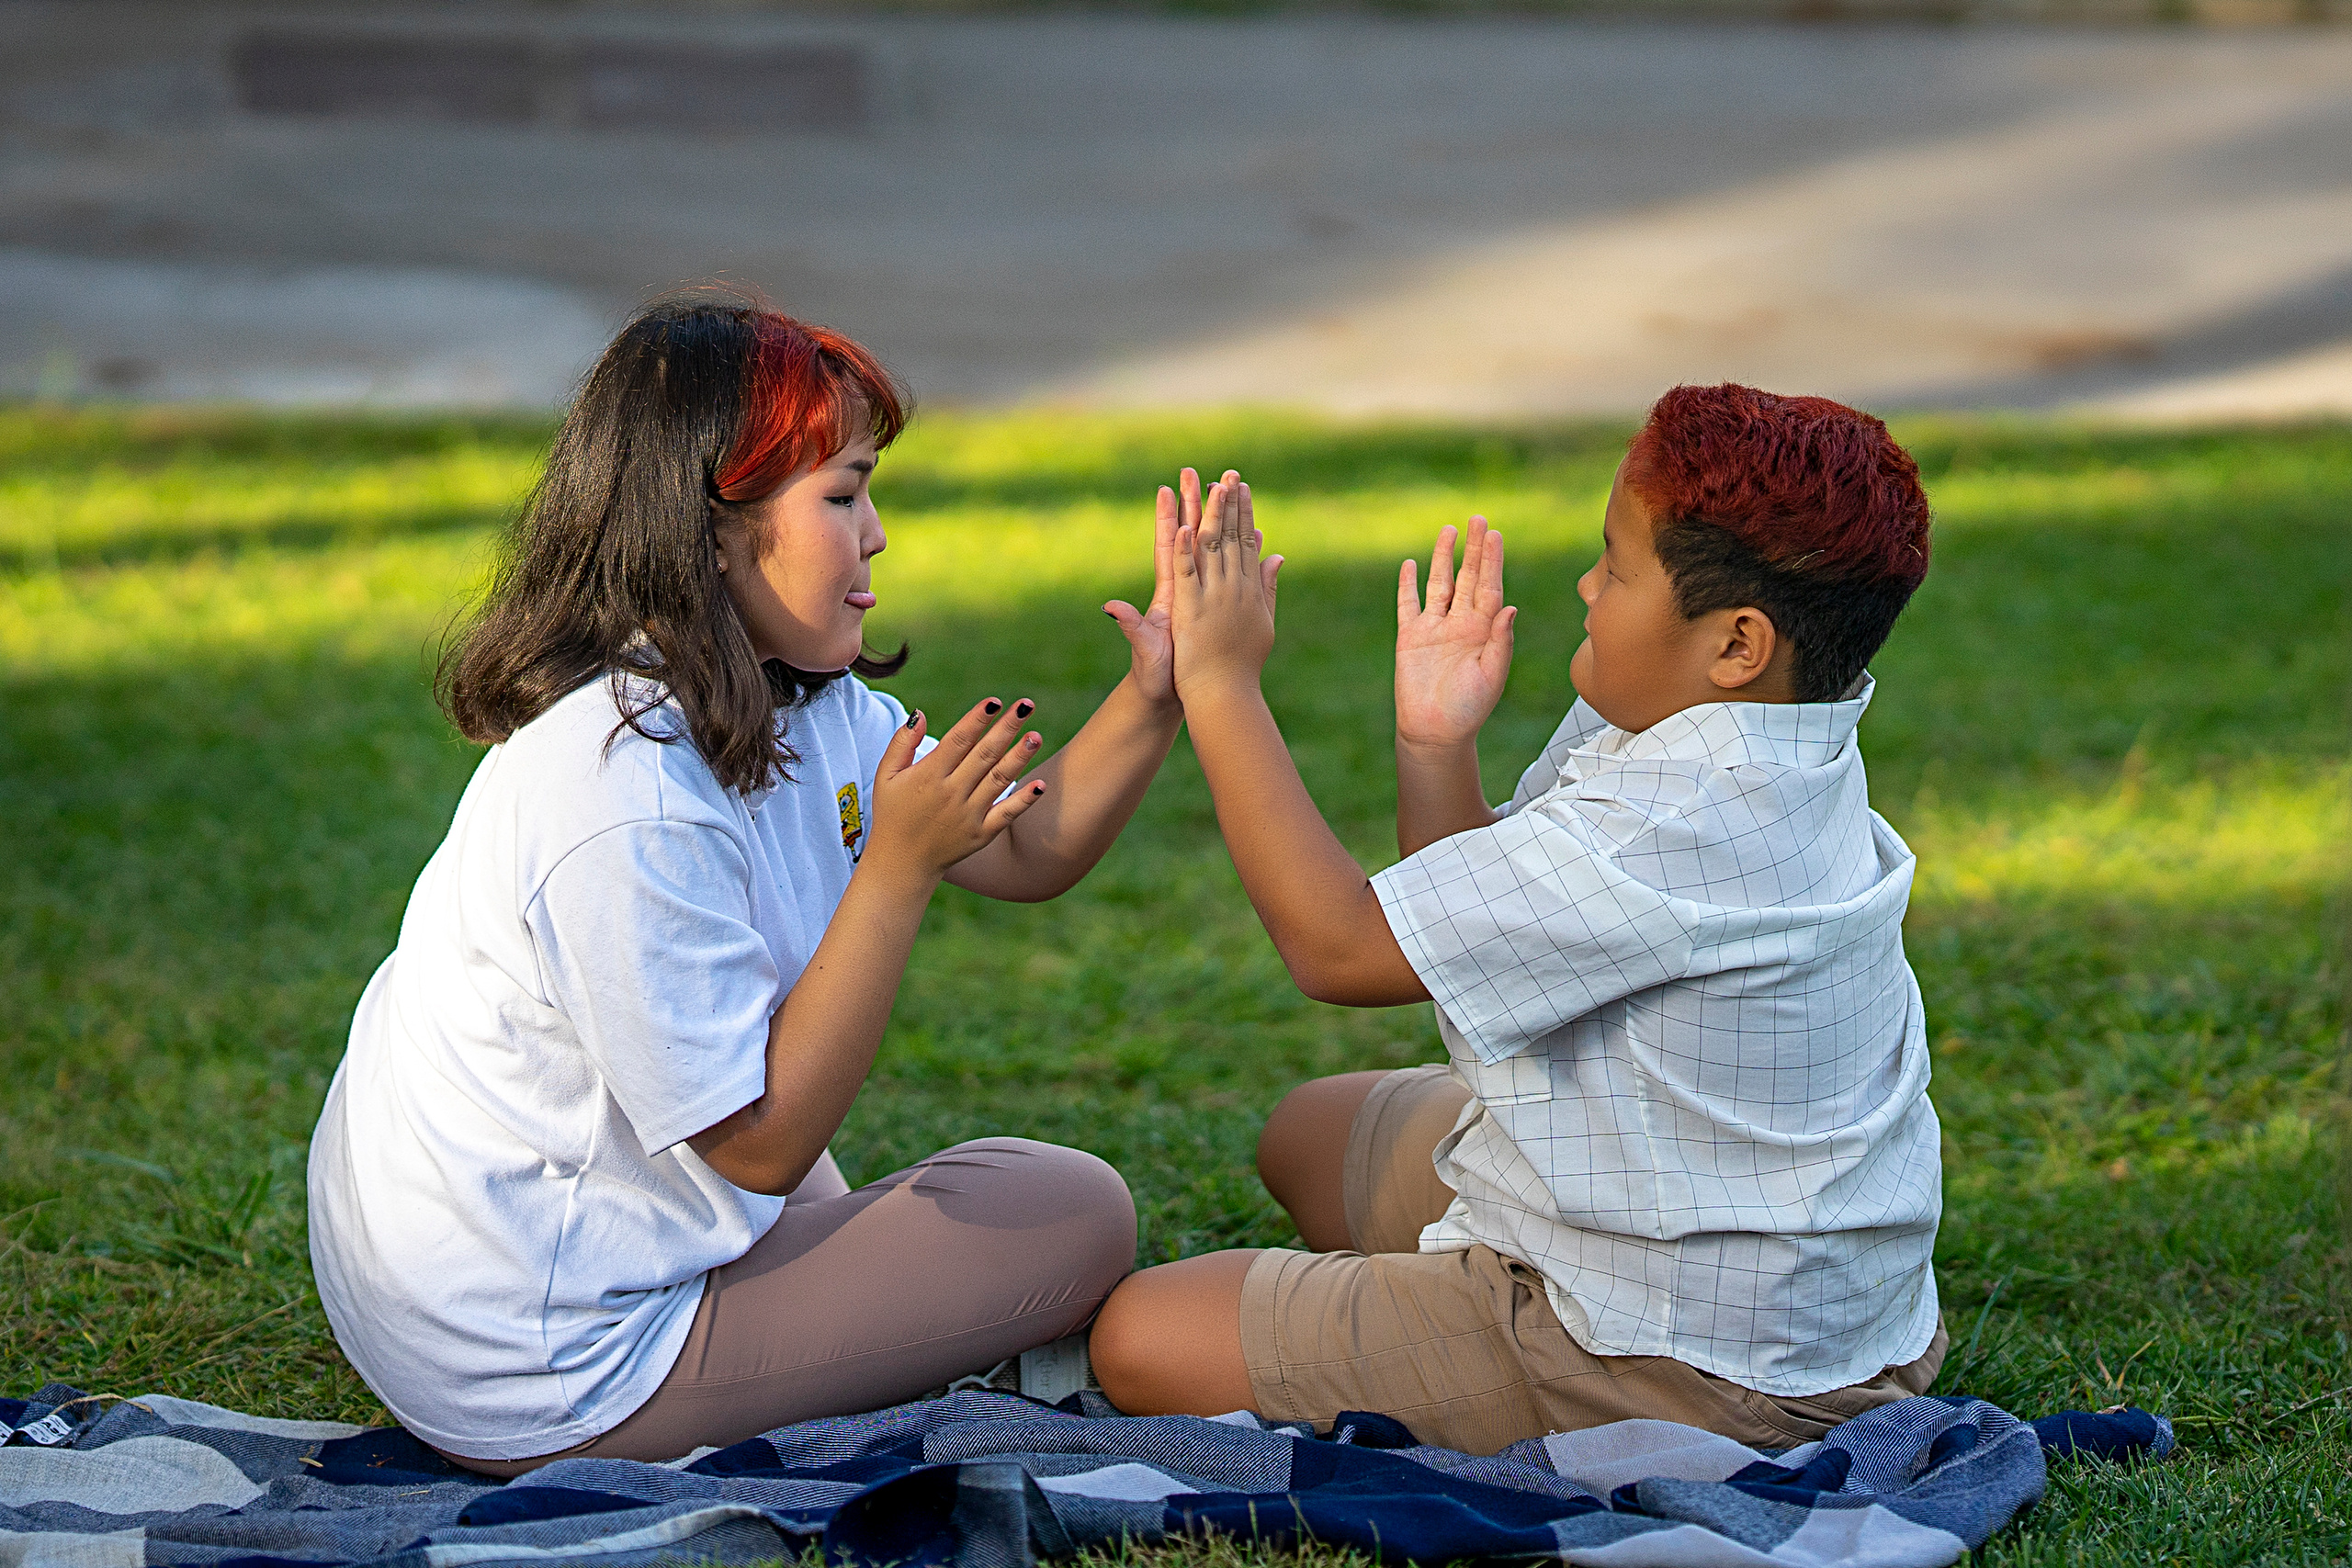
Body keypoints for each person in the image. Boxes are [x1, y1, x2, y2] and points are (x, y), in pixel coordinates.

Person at [308, 297, 1204, 1473]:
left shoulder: (800, 698)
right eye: (841, 494)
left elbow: (1026, 850)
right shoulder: (617, 783)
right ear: (712, 529)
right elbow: (761, 1151)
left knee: (962, 1197)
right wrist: (894, 867)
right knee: (1067, 1210)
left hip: (588, 1253)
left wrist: (1156, 695)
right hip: (543, 1357)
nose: (876, 534)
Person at [1089, 384, 1948, 1456]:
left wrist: (1220, 684)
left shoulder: (1679, 816)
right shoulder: (1769, 724)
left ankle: (1487, 1352)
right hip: (1796, 1297)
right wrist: (1436, 744)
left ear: (1735, 642)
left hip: (1677, 1361)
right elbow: (1479, 906)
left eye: (1617, 566)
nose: (1587, 586)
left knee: (1136, 1339)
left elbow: (1338, 949)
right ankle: (1424, 1320)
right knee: (1309, 1135)